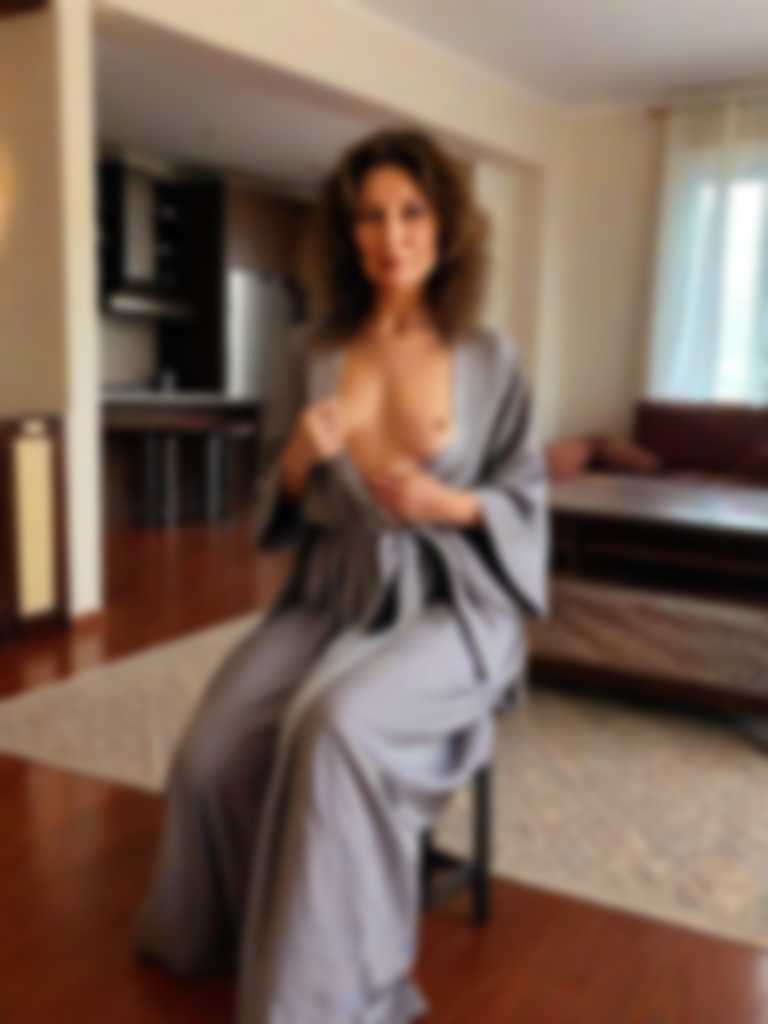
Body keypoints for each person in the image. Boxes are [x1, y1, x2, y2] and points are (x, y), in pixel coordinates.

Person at [133, 127, 551, 1023]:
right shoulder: (310, 350)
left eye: (411, 212)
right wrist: (294, 459)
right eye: (369, 216)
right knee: (210, 750)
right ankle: (233, 934)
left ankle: (321, 992)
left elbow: (526, 497)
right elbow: (270, 501)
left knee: (335, 728)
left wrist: (450, 504)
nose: (390, 236)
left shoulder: (488, 357)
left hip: (451, 602)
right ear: (344, 231)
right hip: (331, 592)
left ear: (446, 226)